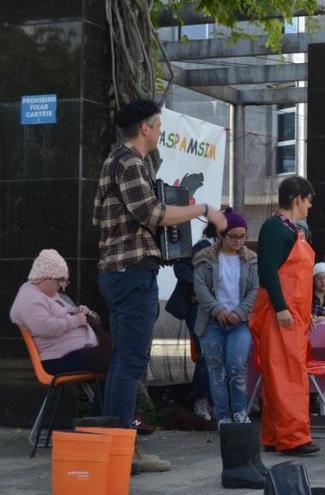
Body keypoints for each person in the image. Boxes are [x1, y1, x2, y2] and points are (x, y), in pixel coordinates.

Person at [92, 99, 227, 471]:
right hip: (131, 273)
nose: (161, 132)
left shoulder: (116, 162)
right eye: (159, 125)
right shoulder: (129, 162)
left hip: (122, 273)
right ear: (148, 127)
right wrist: (203, 210)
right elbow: (152, 214)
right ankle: (123, 453)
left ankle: (117, 449)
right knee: (131, 362)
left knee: (124, 361)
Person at [250, 175, 319, 455]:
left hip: (294, 315)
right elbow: (267, 272)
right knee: (288, 378)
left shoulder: (290, 229)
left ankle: (274, 436)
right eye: (308, 200)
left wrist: (307, 311)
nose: (310, 206)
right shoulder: (274, 229)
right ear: (296, 199)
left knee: (282, 376)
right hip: (282, 316)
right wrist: (280, 307)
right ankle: (292, 439)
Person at [193, 208, 258, 425]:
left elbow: (255, 291)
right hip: (212, 322)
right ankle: (222, 415)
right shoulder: (205, 258)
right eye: (233, 236)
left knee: (237, 365)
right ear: (222, 235)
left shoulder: (251, 260)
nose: (239, 241)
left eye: (242, 236)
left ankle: (240, 411)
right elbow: (200, 288)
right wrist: (218, 310)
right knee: (216, 370)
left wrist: (239, 313)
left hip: (240, 323)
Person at [10, 249, 109, 376]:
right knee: (112, 358)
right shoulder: (29, 299)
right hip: (57, 359)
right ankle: (106, 396)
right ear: (46, 277)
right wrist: (75, 320)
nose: (63, 287)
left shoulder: (47, 294)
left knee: (116, 354)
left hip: (73, 352)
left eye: (65, 281)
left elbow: (62, 313)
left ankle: (99, 395)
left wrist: (78, 311)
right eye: (60, 281)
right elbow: (46, 327)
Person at [166, 224, 217, 421]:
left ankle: (205, 399)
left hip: (213, 308)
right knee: (206, 351)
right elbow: (181, 268)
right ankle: (200, 399)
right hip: (196, 307)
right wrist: (201, 287)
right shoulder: (203, 246)